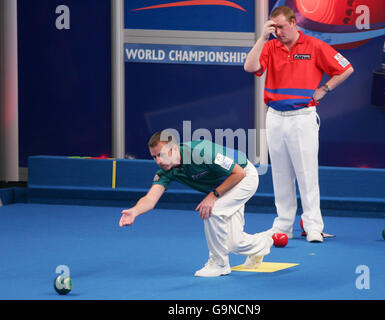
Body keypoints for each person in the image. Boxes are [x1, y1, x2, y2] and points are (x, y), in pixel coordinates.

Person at [244, 6, 354, 242]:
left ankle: (313, 226)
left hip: (302, 117)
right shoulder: (270, 46)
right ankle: (283, 225)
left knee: (307, 174)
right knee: (280, 174)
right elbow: (250, 67)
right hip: (274, 116)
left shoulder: (314, 45)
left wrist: (324, 89)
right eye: (274, 28)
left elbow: (346, 68)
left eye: (282, 27)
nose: (278, 32)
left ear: (294, 23)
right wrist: (263, 38)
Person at [118, 131, 273, 277]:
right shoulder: (166, 170)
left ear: (173, 148)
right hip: (226, 187)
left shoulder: (202, 152)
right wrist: (135, 211)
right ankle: (263, 243)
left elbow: (239, 173)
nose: (158, 161)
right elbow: (150, 199)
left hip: (243, 177)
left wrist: (213, 195)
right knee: (235, 243)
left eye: (161, 154)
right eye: (154, 157)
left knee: (213, 210)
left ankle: (219, 264)